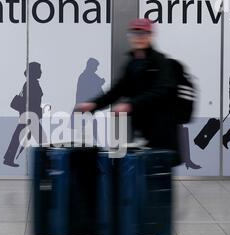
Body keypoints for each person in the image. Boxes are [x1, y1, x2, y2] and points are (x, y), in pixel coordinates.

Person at [76, 18, 179, 161]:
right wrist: (94, 104)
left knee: (157, 177)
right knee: (141, 174)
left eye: (142, 34)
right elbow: (117, 90)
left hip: (162, 130)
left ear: (150, 35)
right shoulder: (132, 64)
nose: (138, 38)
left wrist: (131, 105)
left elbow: (162, 91)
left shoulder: (161, 62)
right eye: (134, 34)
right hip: (144, 130)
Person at [3, 62, 46, 167]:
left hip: (28, 115)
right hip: (30, 115)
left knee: (18, 136)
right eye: (38, 70)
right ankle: (46, 162)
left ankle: (8, 158)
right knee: (42, 139)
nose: (41, 72)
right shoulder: (31, 84)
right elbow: (31, 101)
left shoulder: (30, 83)